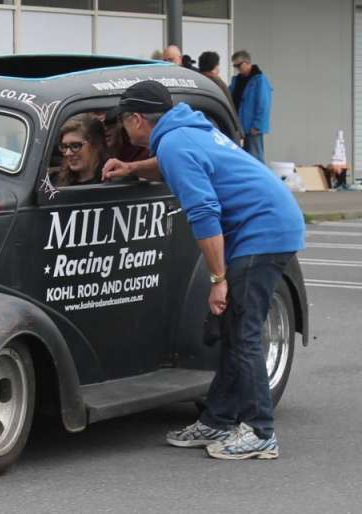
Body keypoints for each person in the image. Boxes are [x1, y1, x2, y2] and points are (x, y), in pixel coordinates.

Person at [102, 80, 305, 460]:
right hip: (270, 222)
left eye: (123, 123)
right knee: (232, 331)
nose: (123, 132)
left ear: (136, 119)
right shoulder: (184, 132)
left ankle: (261, 431)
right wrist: (132, 168)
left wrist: (217, 281)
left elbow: (204, 214)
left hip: (263, 231)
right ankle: (218, 418)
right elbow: (170, 165)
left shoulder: (176, 143)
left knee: (243, 333)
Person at [230, 50, 272, 164]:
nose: (237, 68)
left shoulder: (259, 80)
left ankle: (260, 181)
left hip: (252, 128)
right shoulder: (236, 80)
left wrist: (257, 125)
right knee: (242, 158)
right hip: (239, 127)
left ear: (247, 62)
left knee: (255, 157)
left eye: (239, 65)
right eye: (235, 66)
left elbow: (264, 104)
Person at [53, 114, 108, 186]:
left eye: (75, 146)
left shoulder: (113, 182)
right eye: (64, 146)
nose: (68, 153)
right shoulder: (54, 183)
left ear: (96, 144)